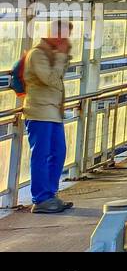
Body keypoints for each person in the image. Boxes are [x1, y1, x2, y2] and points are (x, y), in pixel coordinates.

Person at [21, 17, 74, 213]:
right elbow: (51, 80)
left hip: (53, 112)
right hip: (39, 112)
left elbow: (58, 78)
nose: (66, 40)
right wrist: (61, 56)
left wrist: (62, 56)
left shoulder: (52, 54)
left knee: (58, 152)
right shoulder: (37, 54)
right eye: (64, 36)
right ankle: (41, 198)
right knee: (41, 155)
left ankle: (51, 194)